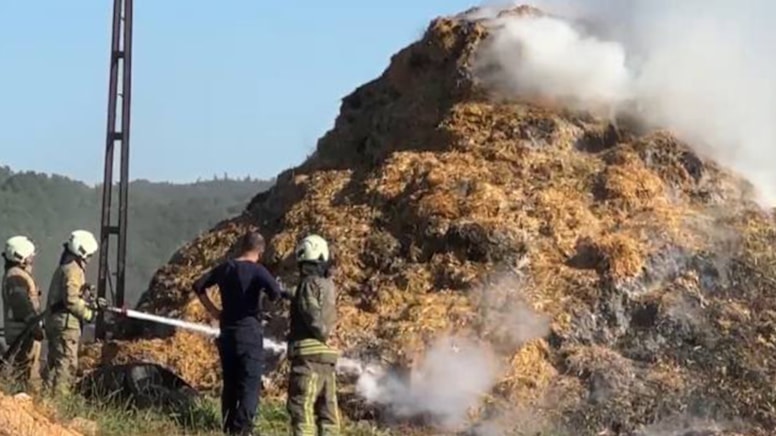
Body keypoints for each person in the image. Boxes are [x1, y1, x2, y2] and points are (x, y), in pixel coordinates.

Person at [193, 230, 288, 436]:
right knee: (249, 383)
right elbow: (275, 293)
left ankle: (228, 427)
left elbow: (198, 285)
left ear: (241, 247)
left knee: (230, 382)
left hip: (226, 332)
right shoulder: (258, 271)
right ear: (260, 251)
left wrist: (214, 311)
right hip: (249, 333)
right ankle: (242, 429)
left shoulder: (226, 268)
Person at [287, 234, 341, 436]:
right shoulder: (329, 285)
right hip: (327, 359)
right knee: (328, 416)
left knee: (302, 412)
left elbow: (313, 317)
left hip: (308, 361)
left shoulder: (307, 284)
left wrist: (321, 332)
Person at [44, 230, 104, 396]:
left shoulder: (67, 267)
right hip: (65, 325)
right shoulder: (73, 270)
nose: (90, 259)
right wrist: (88, 314)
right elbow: (70, 300)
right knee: (66, 364)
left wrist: (90, 302)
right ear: (82, 252)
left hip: (58, 323)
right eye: (90, 255)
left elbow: (72, 296)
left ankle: (45, 399)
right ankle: (59, 402)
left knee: (54, 364)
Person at [2, 235, 43, 391]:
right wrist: (34, 325)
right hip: (24, 334)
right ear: (21, 256)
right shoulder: (16, 276)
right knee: (28, 375)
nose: (32, 259)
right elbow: (21, 304)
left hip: (24, 332)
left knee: (26, 371)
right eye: (30, 256)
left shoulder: (14, 274)